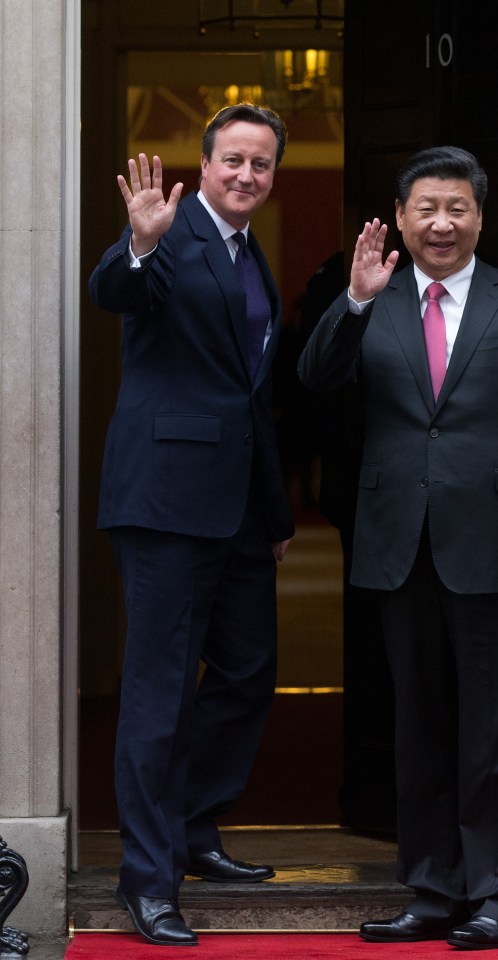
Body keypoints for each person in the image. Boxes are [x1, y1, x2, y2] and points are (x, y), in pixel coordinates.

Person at [298, 146, 498, 951]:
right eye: (426, 208)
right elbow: (315, 379)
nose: (441, 223)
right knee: (418, 727)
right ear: (399, 217)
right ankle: (431, 890)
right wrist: (353, 300)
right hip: (401, 546)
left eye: (457, 208)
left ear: (480, 218)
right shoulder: (376, 300)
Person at [88, 102, 294, 947]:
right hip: (167, 502)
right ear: (205, 165)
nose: (247, 175)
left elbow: (250, 392)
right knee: (160, 692)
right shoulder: (170, 233)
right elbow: (117, 289)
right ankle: (148, 880)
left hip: (241, 508)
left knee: (247, 672)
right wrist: (137, 241)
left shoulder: (250, 255)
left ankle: (196, 828)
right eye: (234, 160)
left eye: (262, 164)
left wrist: (274, 508)